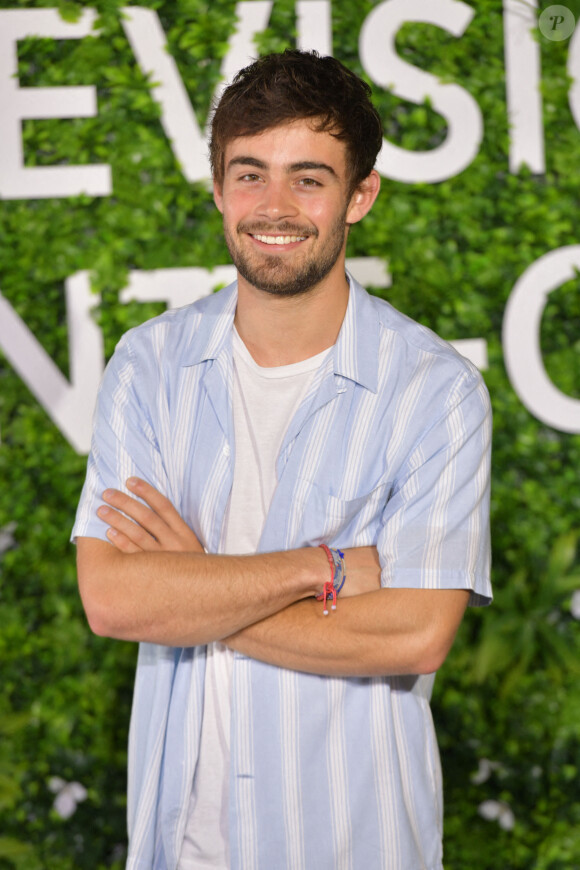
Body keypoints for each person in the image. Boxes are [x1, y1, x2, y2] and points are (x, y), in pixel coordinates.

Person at [73, 49, 492, 870]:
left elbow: (414, 634)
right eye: (250, 173)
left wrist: (195, 586)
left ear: (359, 196)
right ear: (218, 187)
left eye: (308, 178)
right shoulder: (148, 366)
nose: (274, 206)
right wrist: (322, 565)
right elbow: (116, 600)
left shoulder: (435, 390)